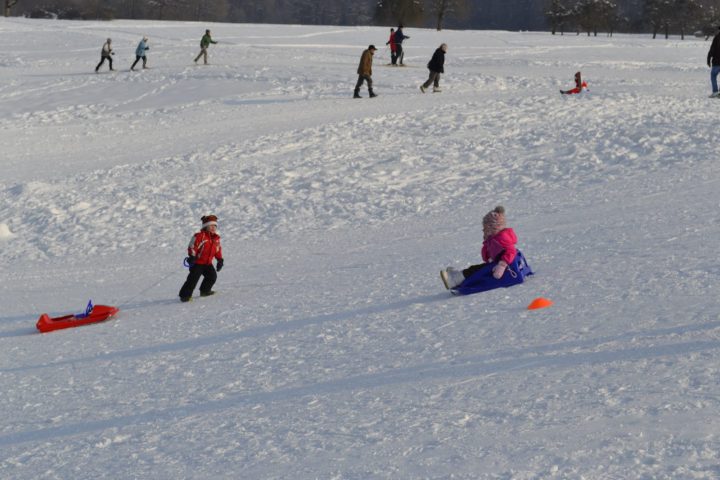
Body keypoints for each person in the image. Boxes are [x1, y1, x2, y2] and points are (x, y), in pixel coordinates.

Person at [440, 206, 517, 289]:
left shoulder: (502, 238)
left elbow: (511, 251)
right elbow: (486, 257)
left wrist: (502, 265)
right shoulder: (495, 238)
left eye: (485, 228)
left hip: (498, 266)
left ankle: (454, 280)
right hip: (494, 264)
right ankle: (457, 276)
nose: (483, 230)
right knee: (476, 269)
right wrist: (487, 242)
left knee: (476, 270)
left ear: (493, 228)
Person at [179, 215, 224, 302]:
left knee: (212, 276)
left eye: (215, 226)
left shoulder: (216, 238)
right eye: (210, 226)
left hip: (208, 263)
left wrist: (220, 260)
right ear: (205, 227)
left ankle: (205, 290)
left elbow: (217, 250)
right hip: (197, 263)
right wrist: (192, 256)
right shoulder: (200, 236)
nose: (213, 227)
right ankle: (185, 296)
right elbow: (192, 246)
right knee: (193, 279)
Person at [707, 27, 720, 97]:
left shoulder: (717, 38)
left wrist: (708, 59)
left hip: (717, 62)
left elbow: (712, 49)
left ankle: (715, 92)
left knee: (713, 76)